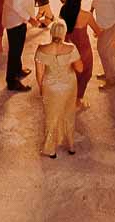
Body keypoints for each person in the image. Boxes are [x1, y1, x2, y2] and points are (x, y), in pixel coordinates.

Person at [35, 19, 82, 157]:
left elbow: (39, 74)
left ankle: (51, 149)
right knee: (69, 114)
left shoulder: (41, 49)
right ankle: (71, 145)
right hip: (68, 85)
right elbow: (80, 68)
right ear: (64, 33)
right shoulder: (71, 48)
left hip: (50, 86)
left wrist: (42, 89)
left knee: (51, 116)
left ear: (51, 32)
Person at [2, 0, 40, 91]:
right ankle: (11, 81)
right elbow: (16, 4)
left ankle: (18, 70)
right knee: (15, 51)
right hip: (16, 21)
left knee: (17, 48)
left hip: (14, 18)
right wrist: (30, 19)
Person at [58, 0, 97, 108]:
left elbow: (60, 30)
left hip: (67, 48)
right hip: (83, 50)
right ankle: (77, 99)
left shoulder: (63, 11)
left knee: (70, 73)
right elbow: (98, 31)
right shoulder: (87, 15)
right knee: (85, 73)